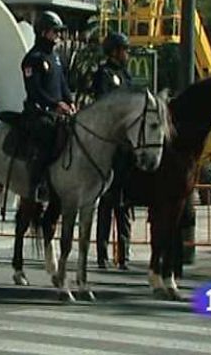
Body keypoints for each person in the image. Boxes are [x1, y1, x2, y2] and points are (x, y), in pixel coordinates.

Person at [21, 10, 75, 201]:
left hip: (58, 112)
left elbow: (62, 85)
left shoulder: (56, 58)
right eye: (55, 31)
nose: (58, 35)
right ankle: (39, 183)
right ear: (43, 32)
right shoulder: (32, 59)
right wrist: (55, 104)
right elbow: (34, 90)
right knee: (47, 134)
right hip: (39, 112)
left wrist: (70, 101)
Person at [92, 32, 133, 270]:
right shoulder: (104, 74)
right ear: (115, 51)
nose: (127, 54)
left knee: (123, 204)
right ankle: (102, 254)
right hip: (109, 144)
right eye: (124, 50)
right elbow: (104, 105)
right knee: (107, 203)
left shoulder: (126, 75)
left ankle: (124, 255)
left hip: (125, 146)